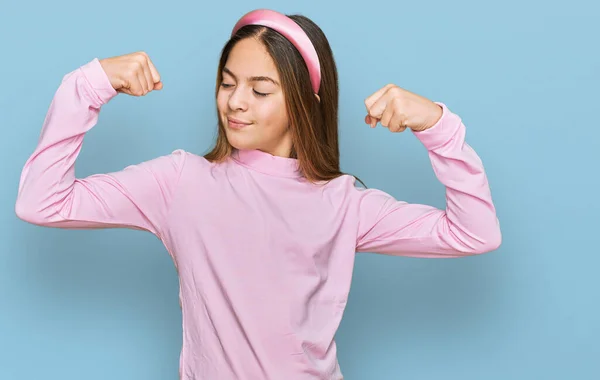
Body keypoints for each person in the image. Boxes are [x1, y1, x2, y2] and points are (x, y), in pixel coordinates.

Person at [15, 8, 501, 380]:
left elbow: (473, 235)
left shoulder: (342, 202)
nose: (236, 101)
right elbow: (42, 201)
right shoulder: (180, 182)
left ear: (303, 103)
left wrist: (438, 127)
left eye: (260, 89)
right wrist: (88, 85)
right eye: (227, 84)